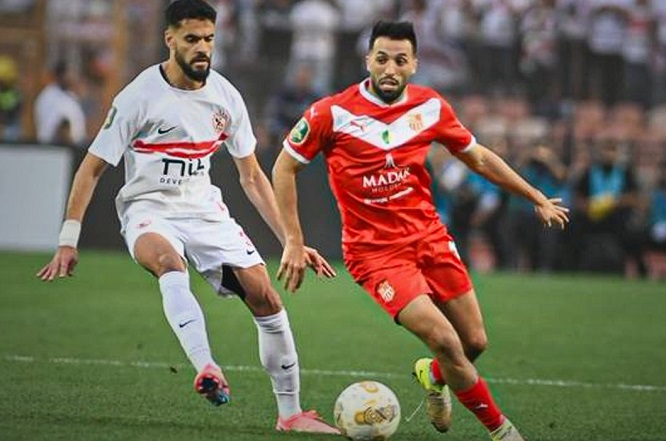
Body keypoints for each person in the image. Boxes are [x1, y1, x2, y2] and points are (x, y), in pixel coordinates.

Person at [36, 0, 339, 435]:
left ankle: (290, 415)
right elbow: (92, 168)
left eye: (209, 39)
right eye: (192, 39)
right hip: (148, 208)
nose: (202, 48)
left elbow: (252, 176)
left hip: (203, 211)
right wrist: (69, 238)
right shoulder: (139, 96)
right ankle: (206, 367)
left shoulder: (225, 97)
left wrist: (292, 239)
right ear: (170, 39)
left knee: (266, 298)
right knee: (169, 263)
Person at [272, 21, 569, 441]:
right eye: (381, 59)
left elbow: (479, 158)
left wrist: (535, 195)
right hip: (376, 254)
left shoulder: (430, 106)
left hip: (429, 238)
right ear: (368, 61)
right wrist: (294, 239)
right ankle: (502, 431)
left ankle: (433, 375)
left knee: (474, 343)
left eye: (400, 60)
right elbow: (284, 167)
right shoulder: (331, 113)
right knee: (446, 341)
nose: (389, 68)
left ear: (414, 64)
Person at [34, 60, 87, 146]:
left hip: (75, 146)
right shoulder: (48, 96)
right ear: (60, 75)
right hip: (53, 147)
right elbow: (55, 126)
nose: (71, 77)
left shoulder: (71, 95)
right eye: (68, 74)